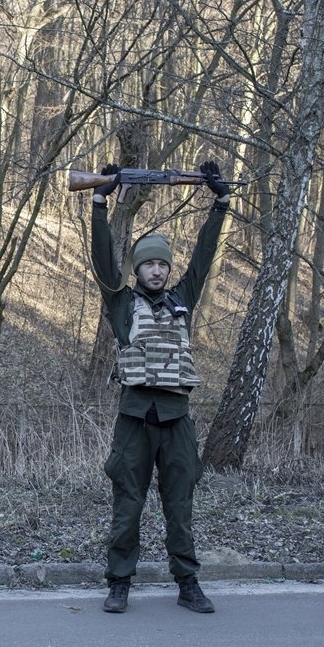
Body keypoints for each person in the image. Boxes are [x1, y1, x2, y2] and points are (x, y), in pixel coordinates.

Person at [89, 161, 230, 614]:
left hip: (176, 417)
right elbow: (102, 259)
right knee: (128, 502)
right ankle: (119, 583)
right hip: (134, 417)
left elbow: (205, 258)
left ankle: (187, 582)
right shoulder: (122, 303)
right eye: (148, 263)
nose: (156, 270)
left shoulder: (182, 299)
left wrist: (220, 203)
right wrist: (99, 200)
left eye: (161, 264)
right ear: (138, 268)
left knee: (180, 502)